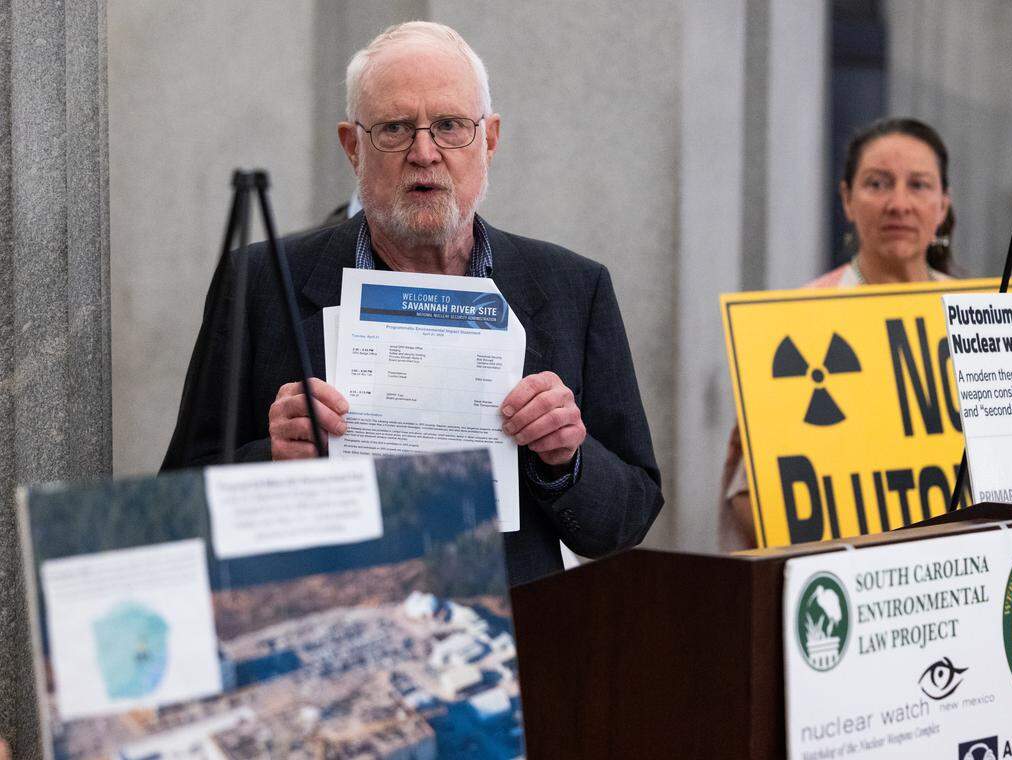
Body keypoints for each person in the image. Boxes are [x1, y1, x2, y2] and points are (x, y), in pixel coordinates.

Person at [163, 22, 663, 586]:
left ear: (490, 140)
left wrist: (567, 458)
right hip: (326, 635)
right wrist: (273, 465)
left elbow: (628, 517)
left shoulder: (574, 289)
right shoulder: (260, 282)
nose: (424, 153)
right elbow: (177, 505)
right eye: (395, 129)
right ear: (352, 147)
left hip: (503, 648)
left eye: (450, 126)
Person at [720, 117, 955, 550]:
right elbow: (750, 497)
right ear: (847, 199)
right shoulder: (797, 319)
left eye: (918, 185)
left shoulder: (984, 320)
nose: (898, 203)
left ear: (943, 204)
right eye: (878, 184)